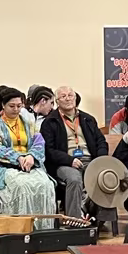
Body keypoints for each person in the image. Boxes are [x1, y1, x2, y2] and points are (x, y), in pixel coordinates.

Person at [0, 88, 56, 226]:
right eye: (12, 106)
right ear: (3, 105)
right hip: (5, 167)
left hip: (29, 164)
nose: (16, 109)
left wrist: (32, 156)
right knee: (21, 186)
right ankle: (19, 227)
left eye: (19, 106)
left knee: (46, 184)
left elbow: (39, 142)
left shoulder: (28, 122)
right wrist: (18, 158)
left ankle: (42, 227)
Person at [41, 86, 108, 220]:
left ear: (75, 98)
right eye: (63, 96)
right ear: (57, 101)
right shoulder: (50, 122)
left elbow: (101, 141)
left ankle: (96, 216)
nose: (68, 99)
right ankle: (74, 219)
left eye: (70, 95)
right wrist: (69, 160)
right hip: (64, 163)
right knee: (75, 179)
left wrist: (100, 159)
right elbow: (49, 150)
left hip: (89, 159)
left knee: (104, 176)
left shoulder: (88, 119)